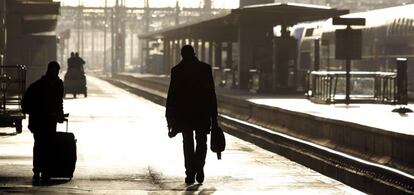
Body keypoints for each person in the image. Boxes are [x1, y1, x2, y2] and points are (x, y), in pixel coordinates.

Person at [166, 45, 218, 185]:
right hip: (202, 113)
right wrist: (214, 117)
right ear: (194, 53)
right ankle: (199, 168)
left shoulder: (177, 71)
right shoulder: (205, 69)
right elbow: (211, 94)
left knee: (187, 143)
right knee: (202, 142)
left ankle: (190, 173)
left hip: (184, 115)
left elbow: (172, 96)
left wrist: (169, 117)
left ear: (182, 55)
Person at [22, 61, 65, 183]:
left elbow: (59, 102)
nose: (55, 74)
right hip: (40, 121)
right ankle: (39, 170)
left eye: (56, 72)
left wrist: (60, 115)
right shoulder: (40, 86)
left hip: (47, 120)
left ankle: (42, 170)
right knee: (42, 145)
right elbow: (58, 103)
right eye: (54, 72)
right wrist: (58, 115)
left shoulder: (56, 84)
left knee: (43, 145)